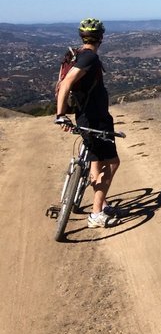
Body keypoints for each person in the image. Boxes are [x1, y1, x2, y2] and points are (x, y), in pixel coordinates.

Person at [55, 18, 122, 228]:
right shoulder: (89, 58)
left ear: (82, 36)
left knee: (96, 161)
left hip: (86, 116)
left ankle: (101, 203)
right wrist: (60, 114)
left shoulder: (73, 55)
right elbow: (66, 83)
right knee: (113, 162)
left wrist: (63, 114)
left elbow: (61, 82)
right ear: (101, 37)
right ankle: (96, 214)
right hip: (96, 120)